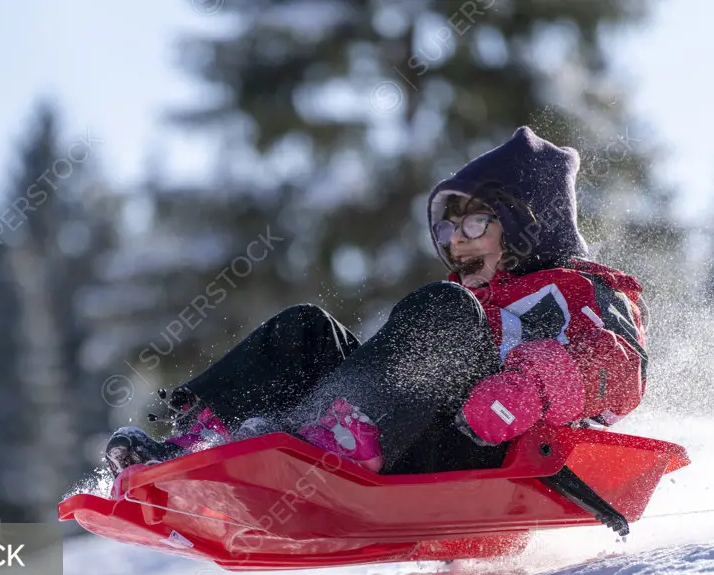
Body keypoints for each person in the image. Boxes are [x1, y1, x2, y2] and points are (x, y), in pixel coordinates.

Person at [105, 126, 648, 478]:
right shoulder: (466, 297)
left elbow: (624, 373)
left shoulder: (584, 289)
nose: (456, 239)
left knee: (446, 308)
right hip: (404, 435)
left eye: (476, 221)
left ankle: (339, 439)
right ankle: (202, 443)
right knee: (307, 327)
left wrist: (529, 387)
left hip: (486, 451)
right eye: (448, 226)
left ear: (527, 221)